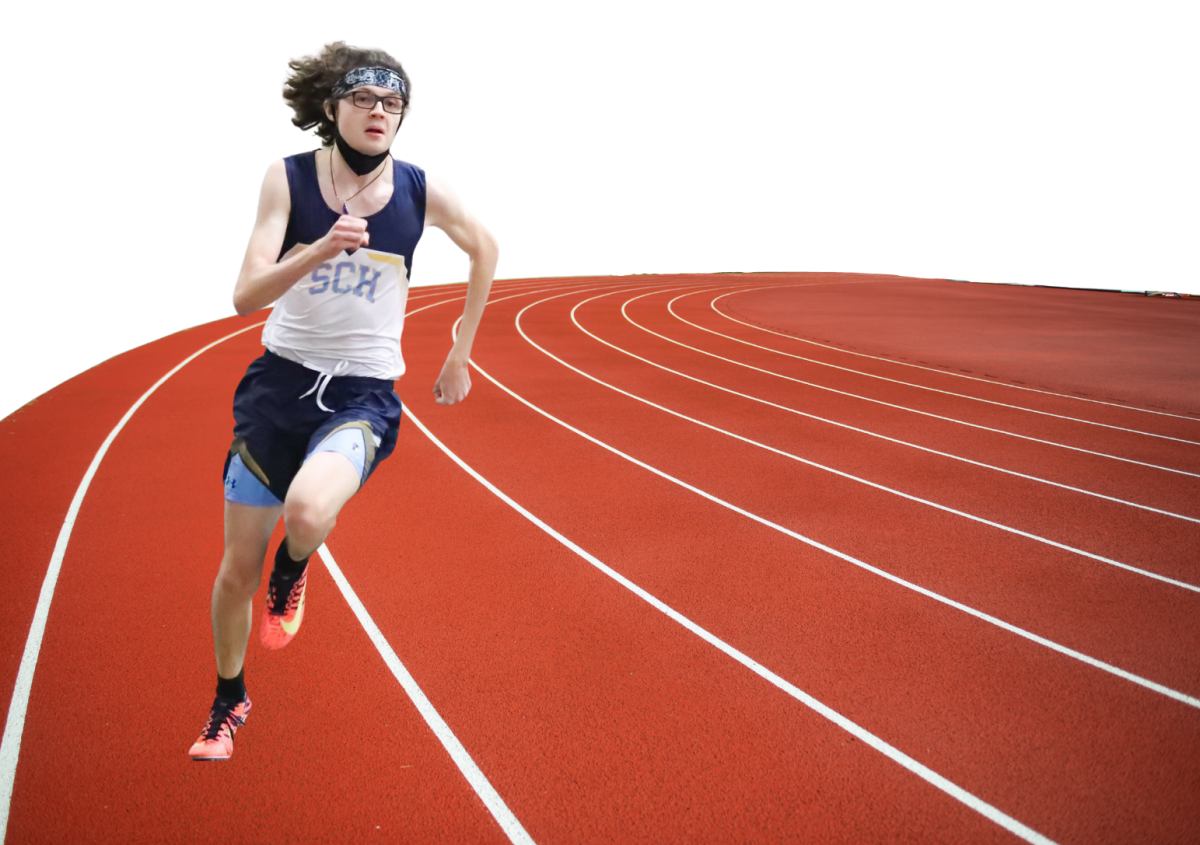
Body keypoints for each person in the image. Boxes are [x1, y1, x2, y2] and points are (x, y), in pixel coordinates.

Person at [188, 42, 498, 761]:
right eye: (364, 99)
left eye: (393, 103)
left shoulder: (420, 190)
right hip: (278, 388)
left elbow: (486, 248)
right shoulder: (289, 180)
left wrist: (461, 349)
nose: (379, 112)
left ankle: (293, 571)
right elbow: (244, 296)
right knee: (236, 568)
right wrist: (319, 249)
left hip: (361, 393)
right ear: (333, 108)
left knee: (305, 511)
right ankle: (227, 702)